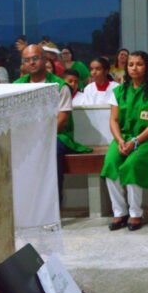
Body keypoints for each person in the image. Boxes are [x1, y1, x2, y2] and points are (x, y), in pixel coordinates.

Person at [101, 51, 148, 231]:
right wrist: (119, 141)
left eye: (139, 64)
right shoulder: (119, 91)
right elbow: (114, 120)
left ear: (147, 66)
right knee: (110, 164)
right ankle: (119, 212)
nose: (134, 68)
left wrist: (136, 142)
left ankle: (135, 213)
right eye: (131, 64)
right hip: (123, 139)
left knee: (132, 165)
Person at [15, 44, 91, 206]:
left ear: (44, 60)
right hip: (27, 135)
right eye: (27, 60)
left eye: (35, 58)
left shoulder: (59, 86)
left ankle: (53, 205)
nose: (32, 63)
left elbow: (62, 119)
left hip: (56, 135)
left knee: (52, 151)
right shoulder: (17, 86)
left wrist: (41, 138)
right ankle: (22, 205)